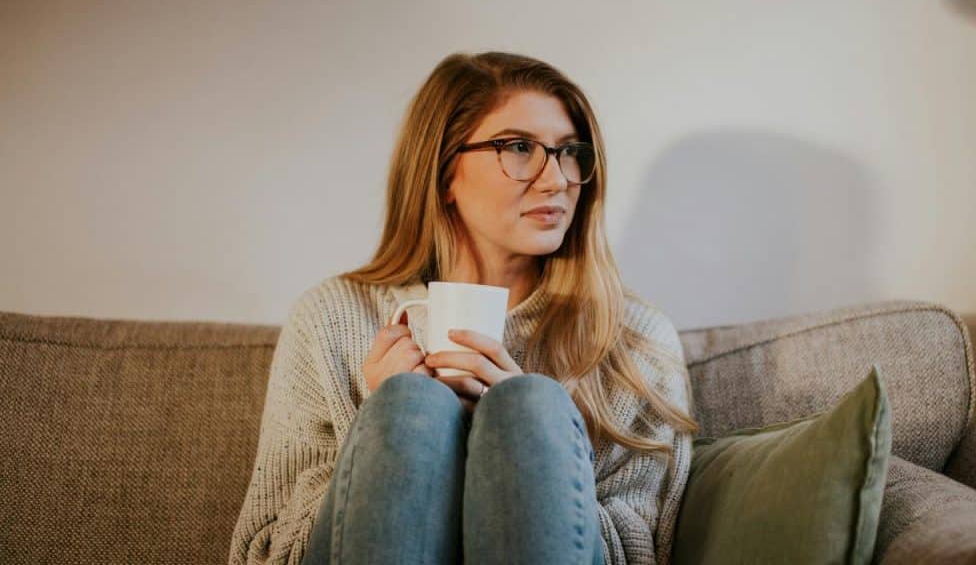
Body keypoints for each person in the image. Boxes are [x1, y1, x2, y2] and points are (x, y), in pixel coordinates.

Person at [228, 50, 698, 565]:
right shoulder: (332, 318)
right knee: (410, 406)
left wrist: (528, 449)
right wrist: (386, 433)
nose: (556, 179)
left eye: (568, 152)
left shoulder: (632, 336)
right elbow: (265, 553)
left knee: (528, 407)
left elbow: (643, 553)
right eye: (519, 147)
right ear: (445, 171)